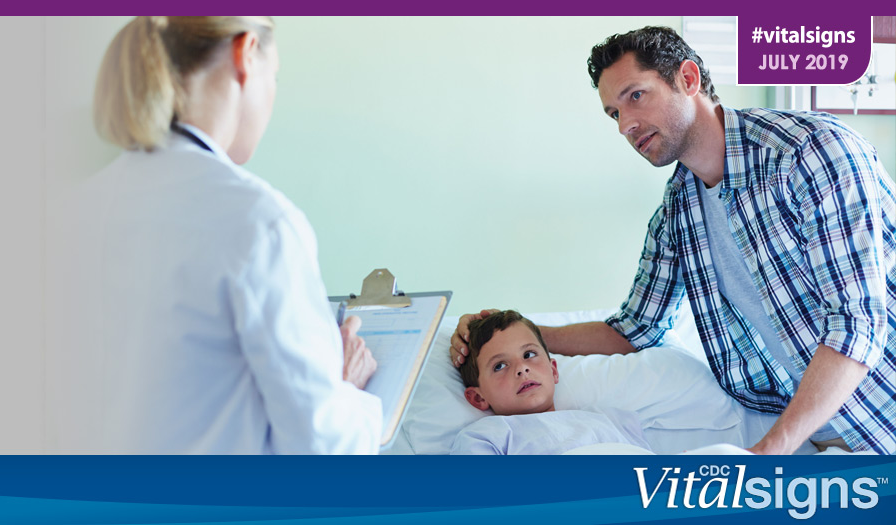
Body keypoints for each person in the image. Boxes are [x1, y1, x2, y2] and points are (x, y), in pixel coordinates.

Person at [450, 26, 896, 454]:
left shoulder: (811, 154)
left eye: (635, 96)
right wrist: (513, 332)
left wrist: (769, 451)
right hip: (827, 442)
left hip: (881, 419)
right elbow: (633, 331)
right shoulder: (678, 212)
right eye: (614, 113)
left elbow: (857, 324)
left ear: (687, 79)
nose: (625, 124)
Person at [51, 17, 381, 454]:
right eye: (275, 76)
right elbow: (321, 448)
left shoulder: (69, 213)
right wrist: (349, 393)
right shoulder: (258, 223)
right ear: (245, 54)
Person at [452, 310, 649, 454]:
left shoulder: (609, 420)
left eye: (529, 354)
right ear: (478, 397)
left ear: (553, 371)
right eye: (500, 366)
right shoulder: (487, 437)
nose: (522, 368)